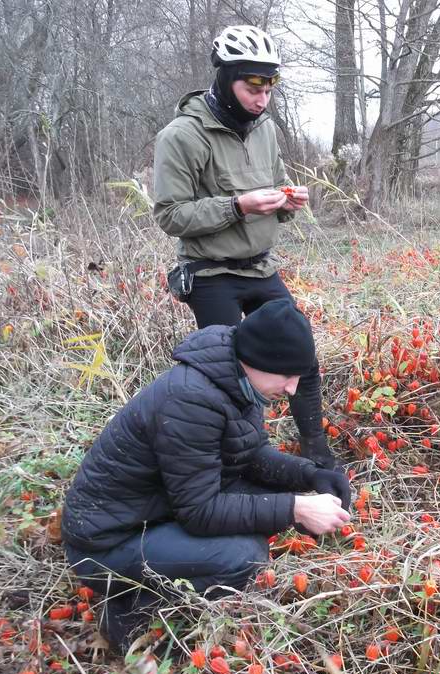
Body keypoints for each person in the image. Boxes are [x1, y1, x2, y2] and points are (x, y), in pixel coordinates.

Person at [61, 299, 351, 653]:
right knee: (243, 555)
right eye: (287, 375)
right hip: (107, 542)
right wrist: (296, 509)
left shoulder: (236, 379)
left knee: (257, 505)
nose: (292, 389)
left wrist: (312, 475)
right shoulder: (191, 399)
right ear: (259, 359)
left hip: (154, 511)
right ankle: (130, 606)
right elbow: (200, 511)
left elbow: (252, 455)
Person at [152, 25, 338, 472]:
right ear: (225, 78)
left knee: (301, 352)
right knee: (233, 372)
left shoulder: (265, 130)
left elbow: (271, 193)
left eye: (269, 86)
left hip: (260, 268)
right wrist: (237, 206)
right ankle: (242, 459)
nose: (262, 97)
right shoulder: (181, 136)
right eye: (252, 85)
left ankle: (315, 447)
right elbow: (170, 215)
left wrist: (287, 201)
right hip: (211, 272)